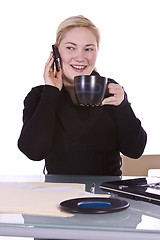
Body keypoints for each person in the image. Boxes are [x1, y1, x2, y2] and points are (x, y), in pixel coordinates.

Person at [18, 15, 147, 176]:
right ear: (56, 51)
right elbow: (33, 152)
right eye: (71, 48)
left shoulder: (110, 90)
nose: (80, 57)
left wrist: (123, 106)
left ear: (97, 52)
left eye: (88, 49)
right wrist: (51, 92)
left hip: (107, 194)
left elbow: (135, 150)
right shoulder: (40, 95)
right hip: (58, 193)